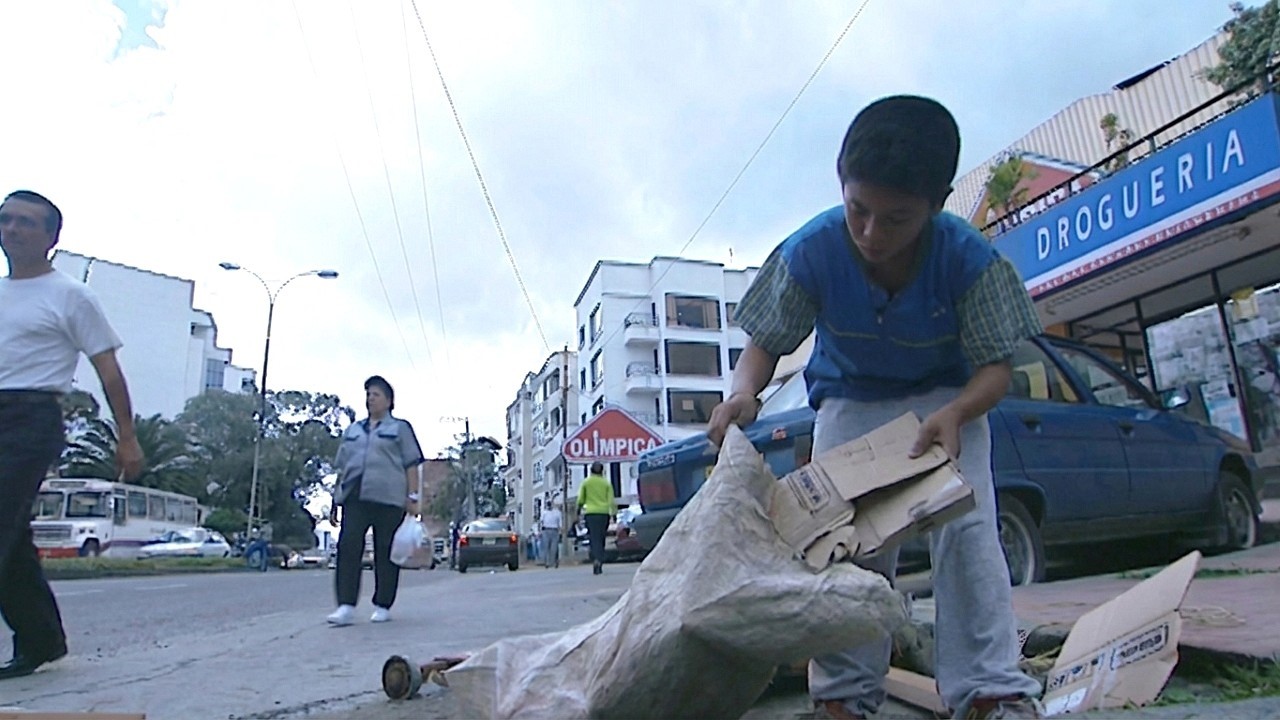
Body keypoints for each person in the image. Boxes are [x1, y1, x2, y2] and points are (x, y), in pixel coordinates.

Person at [706, 97, 1044, 720]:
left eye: (896, 219)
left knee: (967, 536)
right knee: (849, 547)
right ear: (842, 187)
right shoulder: (810, 252)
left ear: (936, 204)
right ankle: (843, 696)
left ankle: (990, 691)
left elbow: (998, 369)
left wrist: (959, 413)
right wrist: (741, 397)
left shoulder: (972, 261)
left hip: (949, 400)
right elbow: (764, 344)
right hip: (850, 398)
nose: (870, 234)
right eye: (858, 211)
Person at [0, 190, 145, 680]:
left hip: (30, 418)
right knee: (12, 542)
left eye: (25, 222)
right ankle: (41, 640)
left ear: (50, 237)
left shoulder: (71, 296)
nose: (13, 229)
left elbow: (108, 369)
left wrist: (127, 435)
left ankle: (38, 639)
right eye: (6, 220)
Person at [327, 375, 425, 626]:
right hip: (355, 496)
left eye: (376, 394)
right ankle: (346, 606)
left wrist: (413, 497)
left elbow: (411, 465)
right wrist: (334, 501)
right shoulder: (353, 430)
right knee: (348, 547)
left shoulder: (400, 429)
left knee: (385, 551)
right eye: (368, 394)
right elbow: (343, 468)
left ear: (389, 401)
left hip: (389, 499)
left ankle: (382, 604)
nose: (370, 399)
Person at [576, 462, 614, 575]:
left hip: (591, 513)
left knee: (594, 537)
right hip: (604, 513)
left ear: (591, 471)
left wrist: (578, 510)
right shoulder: (606, 483)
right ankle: (600, 559)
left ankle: (596, 559)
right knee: (601, 537)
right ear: (602, 471)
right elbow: (611, 500)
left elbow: (581, 499)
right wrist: (614, 513)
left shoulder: (586, 483)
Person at [539, 499, 563, 569]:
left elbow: (560, 523)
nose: (549, 505)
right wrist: (540, 531)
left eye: (550, 504)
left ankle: (554, 562)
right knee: (546, 547)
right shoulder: (544, 513)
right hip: (546, 530)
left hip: (555, 530)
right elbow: (541, 522)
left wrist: (560, 531)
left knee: (554, 547)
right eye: (548, 504)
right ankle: (547, 562)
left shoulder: (557, 512)